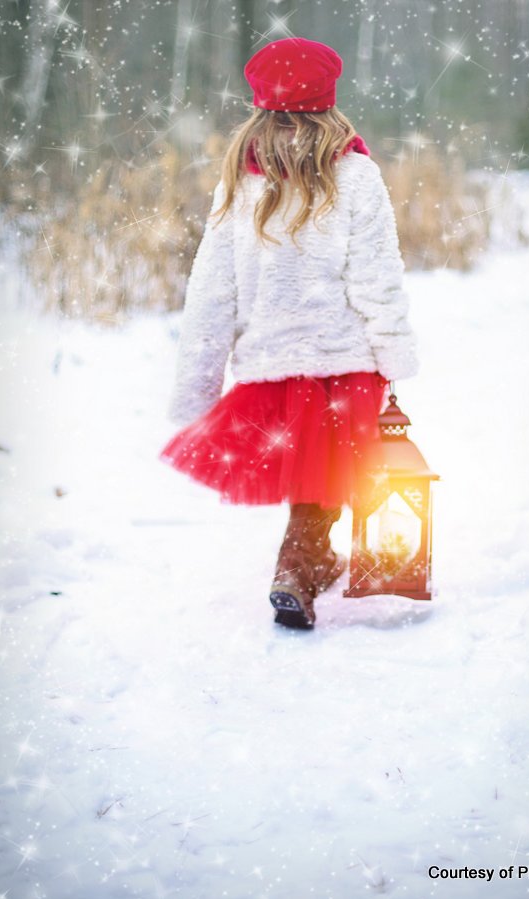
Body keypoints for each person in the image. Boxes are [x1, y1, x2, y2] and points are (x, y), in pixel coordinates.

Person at [159, 37, 419, 630]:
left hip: (272, 366)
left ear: (259, 104)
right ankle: (300, 565)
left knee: (316, 471)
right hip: (346, 363)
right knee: (331, 471)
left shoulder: (239, 181)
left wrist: (198, 386)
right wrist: (395, 355)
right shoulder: (357, 176)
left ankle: (310, 561)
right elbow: (377, 279)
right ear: (330, 102)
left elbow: (212, 293)